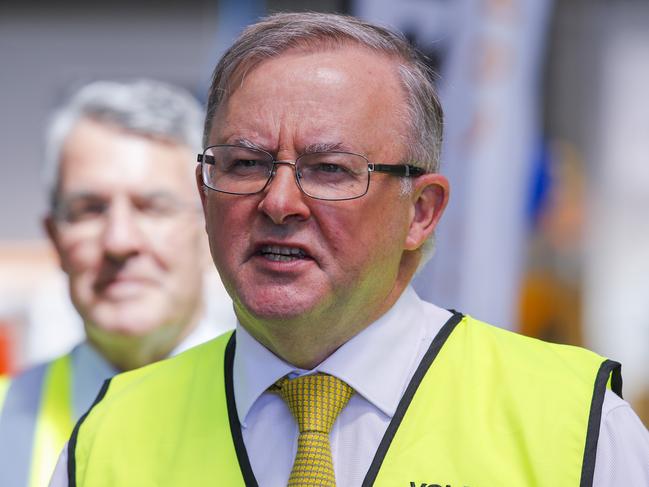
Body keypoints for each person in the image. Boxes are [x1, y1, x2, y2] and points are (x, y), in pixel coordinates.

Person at [52, 13, 649, 487]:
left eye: (330, 169)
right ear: (203, 193)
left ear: (422, 212)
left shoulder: (577, 428)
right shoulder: (108, 438)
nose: (279, 200)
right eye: (246, 163)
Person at [0, 79, 235, 487]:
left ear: (209, 226)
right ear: (55, 238)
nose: (120, 241)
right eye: (89, 210)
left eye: (153, 207)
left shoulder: (292, 415)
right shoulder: (6, 417)